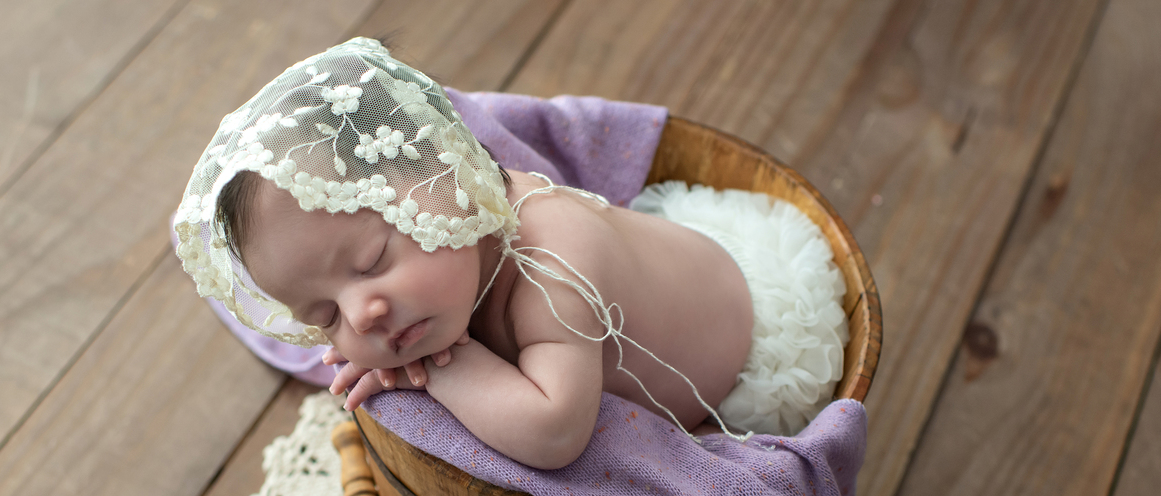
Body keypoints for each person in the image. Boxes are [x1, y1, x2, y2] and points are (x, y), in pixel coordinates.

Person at [175, 37, 847, 470]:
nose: (365, 313)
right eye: (323, 313)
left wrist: (440, 371)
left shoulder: (555, 259)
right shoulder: (451, 269)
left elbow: (555, 433)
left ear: (450, 180)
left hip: (754, 346)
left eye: (373, 261)